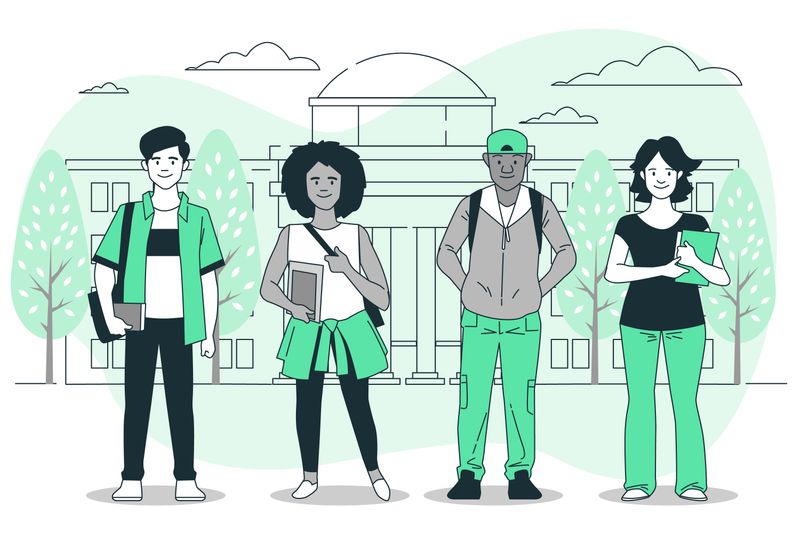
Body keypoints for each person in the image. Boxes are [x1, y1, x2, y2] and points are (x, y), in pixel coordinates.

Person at [437, 129, 576, 500]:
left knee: (521, 397)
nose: (507, 166)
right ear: (487, 161)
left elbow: (566, 252)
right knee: (473, 396)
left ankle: (520, 473)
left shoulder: (541, 206)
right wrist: (465, 284)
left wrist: (540, 288)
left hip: (523, 321)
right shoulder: (471, 205)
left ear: (527, 160)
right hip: (478, 318)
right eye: (499, 159)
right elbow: (446, 251)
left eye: (515, 159)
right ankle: (469, 472)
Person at [93, 126, 224, 502]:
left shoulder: (197, 217)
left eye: (172, 159)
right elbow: (104, 268)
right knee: (137, 403)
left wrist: (209, 332)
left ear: (185, 165)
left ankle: (186, 478)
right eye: (156, 160)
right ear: (145, 166)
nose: (164, 166)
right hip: (139, 325)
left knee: (181, 404)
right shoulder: (130, 215)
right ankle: (131, 478)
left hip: (182, 327)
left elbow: (208, 280)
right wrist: (109, 315)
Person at [260, 140, 392, 501]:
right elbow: (267, 287)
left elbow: (382, 296)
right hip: (308, 327)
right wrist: (292, 306)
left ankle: (375, 472)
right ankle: (309, 476)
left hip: (352, 326)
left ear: (345, 184)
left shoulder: (357, 234)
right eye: (314, 178)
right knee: (307, 404)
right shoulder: (291, 234)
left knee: (359, 403)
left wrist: (348, 269)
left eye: (331, 179)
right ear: (299, 185)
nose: (323, 186)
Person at [604, 136, 730, 502]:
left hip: (687, 322)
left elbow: (720, 276)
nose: (661, 177)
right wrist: (661, 268)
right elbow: (613, 272)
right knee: (640, 399)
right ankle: (638, 482)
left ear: (680, 176)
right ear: (641, 175)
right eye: (653, 170)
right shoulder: (628, 223)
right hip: (637, 322)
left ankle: (691, 481)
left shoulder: (695, 223)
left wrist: (695, 263)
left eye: (669, 170)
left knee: (685, 401)